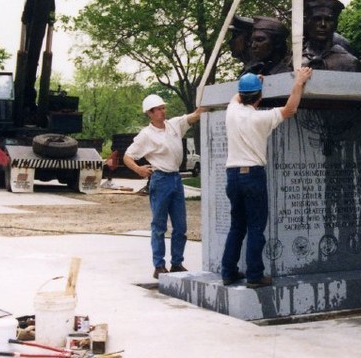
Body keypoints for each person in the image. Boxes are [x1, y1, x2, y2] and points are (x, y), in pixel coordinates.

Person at [221, 67, 313, 288]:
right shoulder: (261, 118)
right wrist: (299, 81)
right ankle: (254, 276)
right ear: (260, 97)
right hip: (252, 175)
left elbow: (236, 97)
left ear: (242, 95)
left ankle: (228, 272)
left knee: (237, 226)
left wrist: (253, 82)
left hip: (233, 175)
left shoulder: (231, 111)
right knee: (255, 227)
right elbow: (290, 109)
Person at [124, 94, 206, 279]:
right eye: (159, 109)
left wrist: (205, 104)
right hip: (160, 179)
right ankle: (159, 265)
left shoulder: (174, 125)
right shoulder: (146, 135)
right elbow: (128, 156)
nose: (163, 111)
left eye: (163, 108)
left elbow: (193, 116)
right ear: (150, 113)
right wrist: (138, 169)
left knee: (180, 225)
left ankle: (177, 263)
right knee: (159, 225)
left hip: (176, 179)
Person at [301, 0, 360, 71]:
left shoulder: (349, 62)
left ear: (336, 24)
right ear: (306, 22)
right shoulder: (295, 60)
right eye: (317, 19)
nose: (323, 24)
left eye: (329, 20)